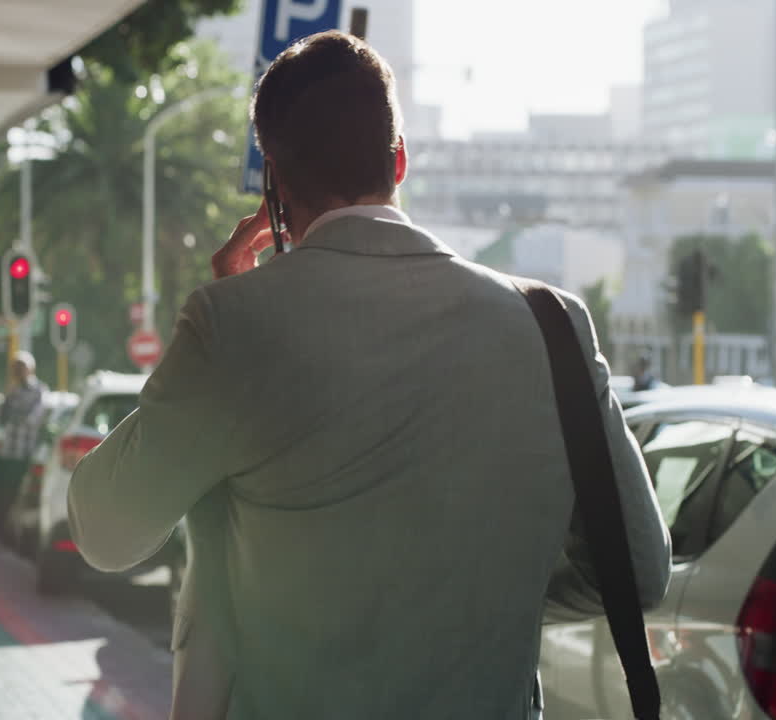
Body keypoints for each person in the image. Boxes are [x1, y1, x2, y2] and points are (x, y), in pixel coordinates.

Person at [67, 31, 671, 720]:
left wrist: (211, 337)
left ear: (276, 186)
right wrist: (496, 598)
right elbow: (640, 572)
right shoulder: (552, 327)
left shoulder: (233, 324)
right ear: (400, 160)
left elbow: (105, 532)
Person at [0, 351, 48, 542]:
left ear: (30, 369)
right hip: (4, 451)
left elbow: (33, 419)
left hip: (21, 453)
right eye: (15, 368)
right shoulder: (12, 390)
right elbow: (2, 418)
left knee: (9, 495)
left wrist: (15, 416)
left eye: (21, 367)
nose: (17, 371)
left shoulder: (39, 391)